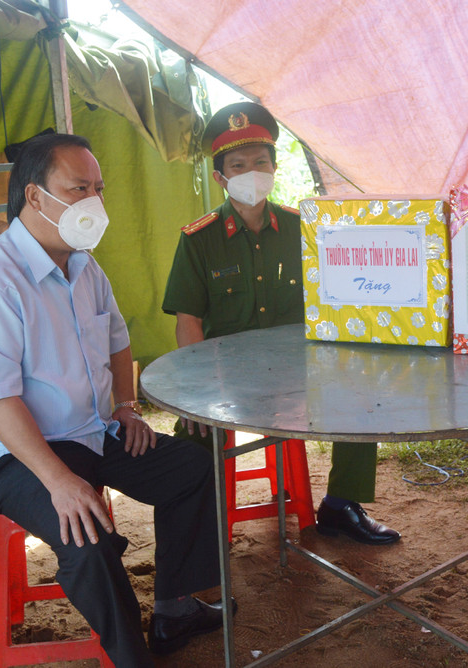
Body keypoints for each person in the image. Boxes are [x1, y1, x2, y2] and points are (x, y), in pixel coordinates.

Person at [0, 133, 232, 666]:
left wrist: (124, 407)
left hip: (90, 433)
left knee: (192, 466)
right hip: (10, 456)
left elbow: (117, 340)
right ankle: (130, 657)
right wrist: (60, 481)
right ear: (34, 196)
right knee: (88, 532)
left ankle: (172, 607)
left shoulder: (84, 265)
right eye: (78, 188)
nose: (93, 202)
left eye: (98, 188)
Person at [162, 102, 400, 545]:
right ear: (220, 177)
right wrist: (193, 391)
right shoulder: (200, 239)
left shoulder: (302, 228)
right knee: (190, 435)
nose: (251, 171)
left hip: (299, 368)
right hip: (227, 376)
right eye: (238, 165)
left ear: (274, 168)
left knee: (362, 392)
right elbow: (188, 318)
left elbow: (334, 297)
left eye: (260, 163)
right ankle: (200, 529)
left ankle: (341, 504)